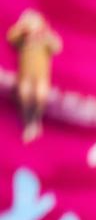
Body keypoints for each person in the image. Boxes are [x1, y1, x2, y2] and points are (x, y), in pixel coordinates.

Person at [7, 9, 61, 143]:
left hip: (41, 75)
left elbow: (57, 47)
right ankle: (28, 122)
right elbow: (11, 38)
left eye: (35, 22)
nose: (33, 25)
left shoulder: (45, 39)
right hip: (25, 75)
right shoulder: (23, 39)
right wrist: (21, 29)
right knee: (24, 96)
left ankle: (35, 120)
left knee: (40, 96)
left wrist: (46, 32)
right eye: (30, 22)